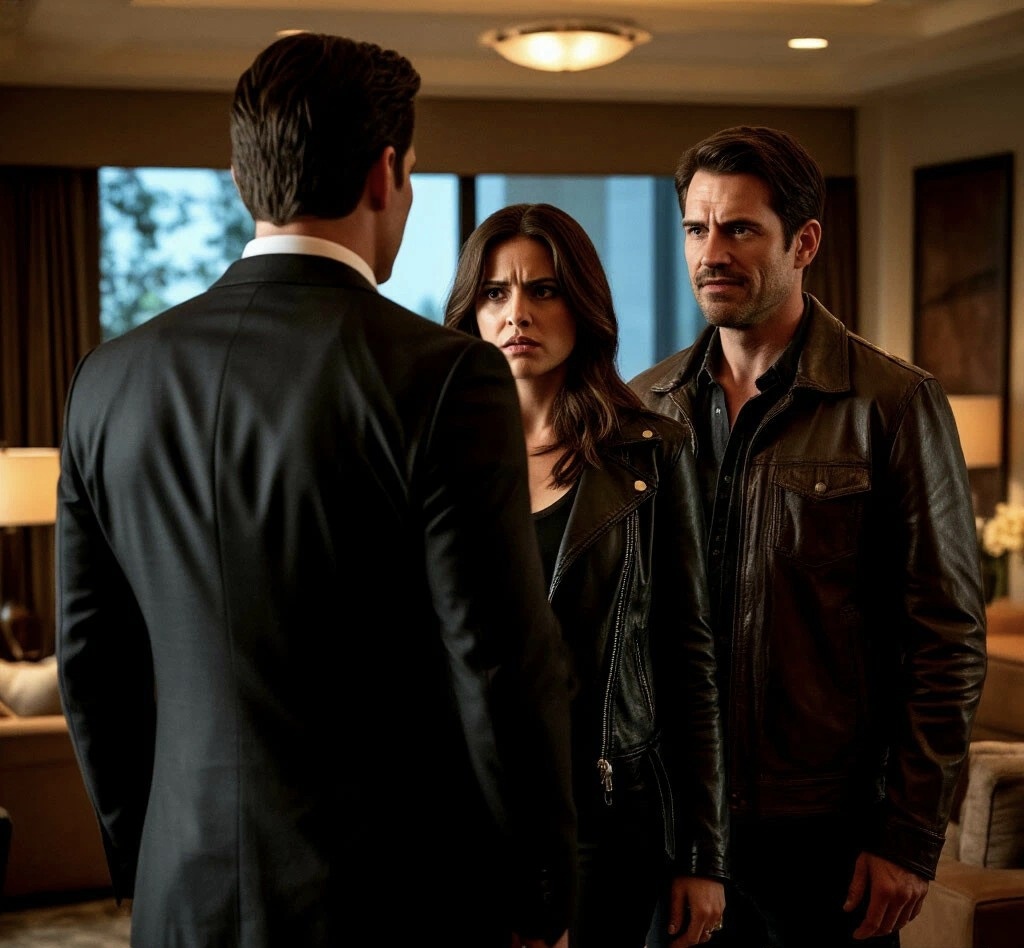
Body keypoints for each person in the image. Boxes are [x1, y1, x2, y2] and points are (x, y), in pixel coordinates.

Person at [55, 33, 576, 948]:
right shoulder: (444, 377)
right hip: (390, 899)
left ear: (240, 178)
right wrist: (539, 892)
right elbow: (496, 666)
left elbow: (92, 663)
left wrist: (149, 857)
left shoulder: (108, 379)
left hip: (182, 895)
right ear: (385, 174)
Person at [631, 125, 987, 947]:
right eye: (695, 228)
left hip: (825, 835)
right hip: (673, 828)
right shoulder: (646, 406)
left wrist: (908, 834)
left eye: (739, 229)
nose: (711, 253)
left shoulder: (891, 403)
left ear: (805, 242)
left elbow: (947, 639)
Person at [444, 202, 728, 948]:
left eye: (543, 290)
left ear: (583, 306)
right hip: (468, 809)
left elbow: (690, 658)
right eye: (495, 293)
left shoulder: (651, 454)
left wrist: (702, 854)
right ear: (471, 310)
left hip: (605, 814)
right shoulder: (438, 456)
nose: (517, 314)